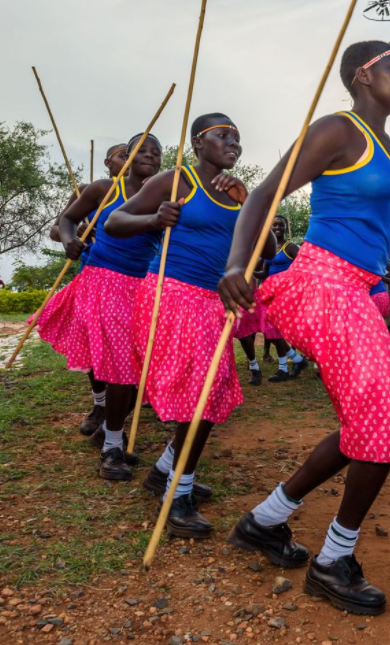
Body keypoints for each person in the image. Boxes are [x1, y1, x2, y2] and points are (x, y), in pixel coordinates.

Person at [216, 40, 390, 616]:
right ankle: (332, 563)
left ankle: (265, 520)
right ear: (363, 75)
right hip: (322, 283)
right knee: (383, 419)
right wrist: (237, 264)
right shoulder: (337, 131)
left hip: (358, 292)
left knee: (366, 422)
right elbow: (265, 192)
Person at [106, 115, 270, 537]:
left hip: (215, 304)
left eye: (237, 135)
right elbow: (114, 222)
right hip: (173, 294)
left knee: (210, 397)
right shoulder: (176, 181)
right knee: (199, 397)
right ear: (198, 144)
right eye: (222, 134)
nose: (233, 140)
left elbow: (266, 244)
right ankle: (176, 496)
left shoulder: (236, 194)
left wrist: (248, 197)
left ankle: (166, 473)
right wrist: (154, 218)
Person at [37, 135, 163, 480]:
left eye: (157, 152)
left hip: (142, 286)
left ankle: (108, 431)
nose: (150, 156)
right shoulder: (102, 190)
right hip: (102, 280)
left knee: (131, 366)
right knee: (117, 364)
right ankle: (112, 447)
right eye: (141, 150)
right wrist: (69, 240)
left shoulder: (166, 196)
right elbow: (64, 221)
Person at [47, 144, 129, 435]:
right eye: (123, 155)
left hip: (134, 281)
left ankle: (123, 405)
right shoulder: (91, 190)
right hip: (94, 276)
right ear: (108, 162)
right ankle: (100, 404)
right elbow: (57, 229)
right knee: (98, 345)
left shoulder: (150, 191)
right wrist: (74, 235)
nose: (129, 161)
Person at [251, 215, 309, 383]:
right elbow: (263, 272)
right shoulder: (269, 249)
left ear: (285, 227)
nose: (277, 228)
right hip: (269, 294)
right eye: (274, 225)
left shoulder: (290, 247)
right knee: (271, 330)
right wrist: (248, 271)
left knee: (276, 330)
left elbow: (304, 265)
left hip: (285, 295)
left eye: (280, 225)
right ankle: (296, 361)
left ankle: (288, 366)